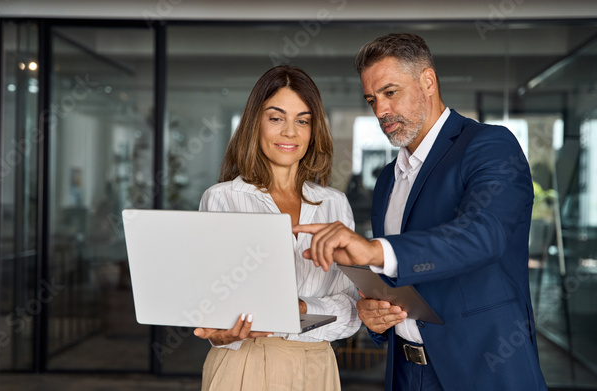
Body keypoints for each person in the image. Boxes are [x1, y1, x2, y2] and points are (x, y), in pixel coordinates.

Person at [294, 33, 547, 390]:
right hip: (406, 373)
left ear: (428, 81)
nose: (380, 110)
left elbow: (482, 235)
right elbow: (396, 284)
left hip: (485, 371)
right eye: (371, 100)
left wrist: (374, 250)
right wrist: (375, 317)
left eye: (390, 92)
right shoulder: (387, 180)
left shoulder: (489, 145)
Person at [193, 65, 362, 390]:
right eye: (276, 118)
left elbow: (351, 310)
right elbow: (208, 303)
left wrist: (299, 309)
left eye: (302, 120)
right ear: (255, 123)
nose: (290, 132)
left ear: (314, 130)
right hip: (242, 364)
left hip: (317, 368)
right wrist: (221, 334)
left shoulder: (334, 204)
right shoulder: (223, 199)